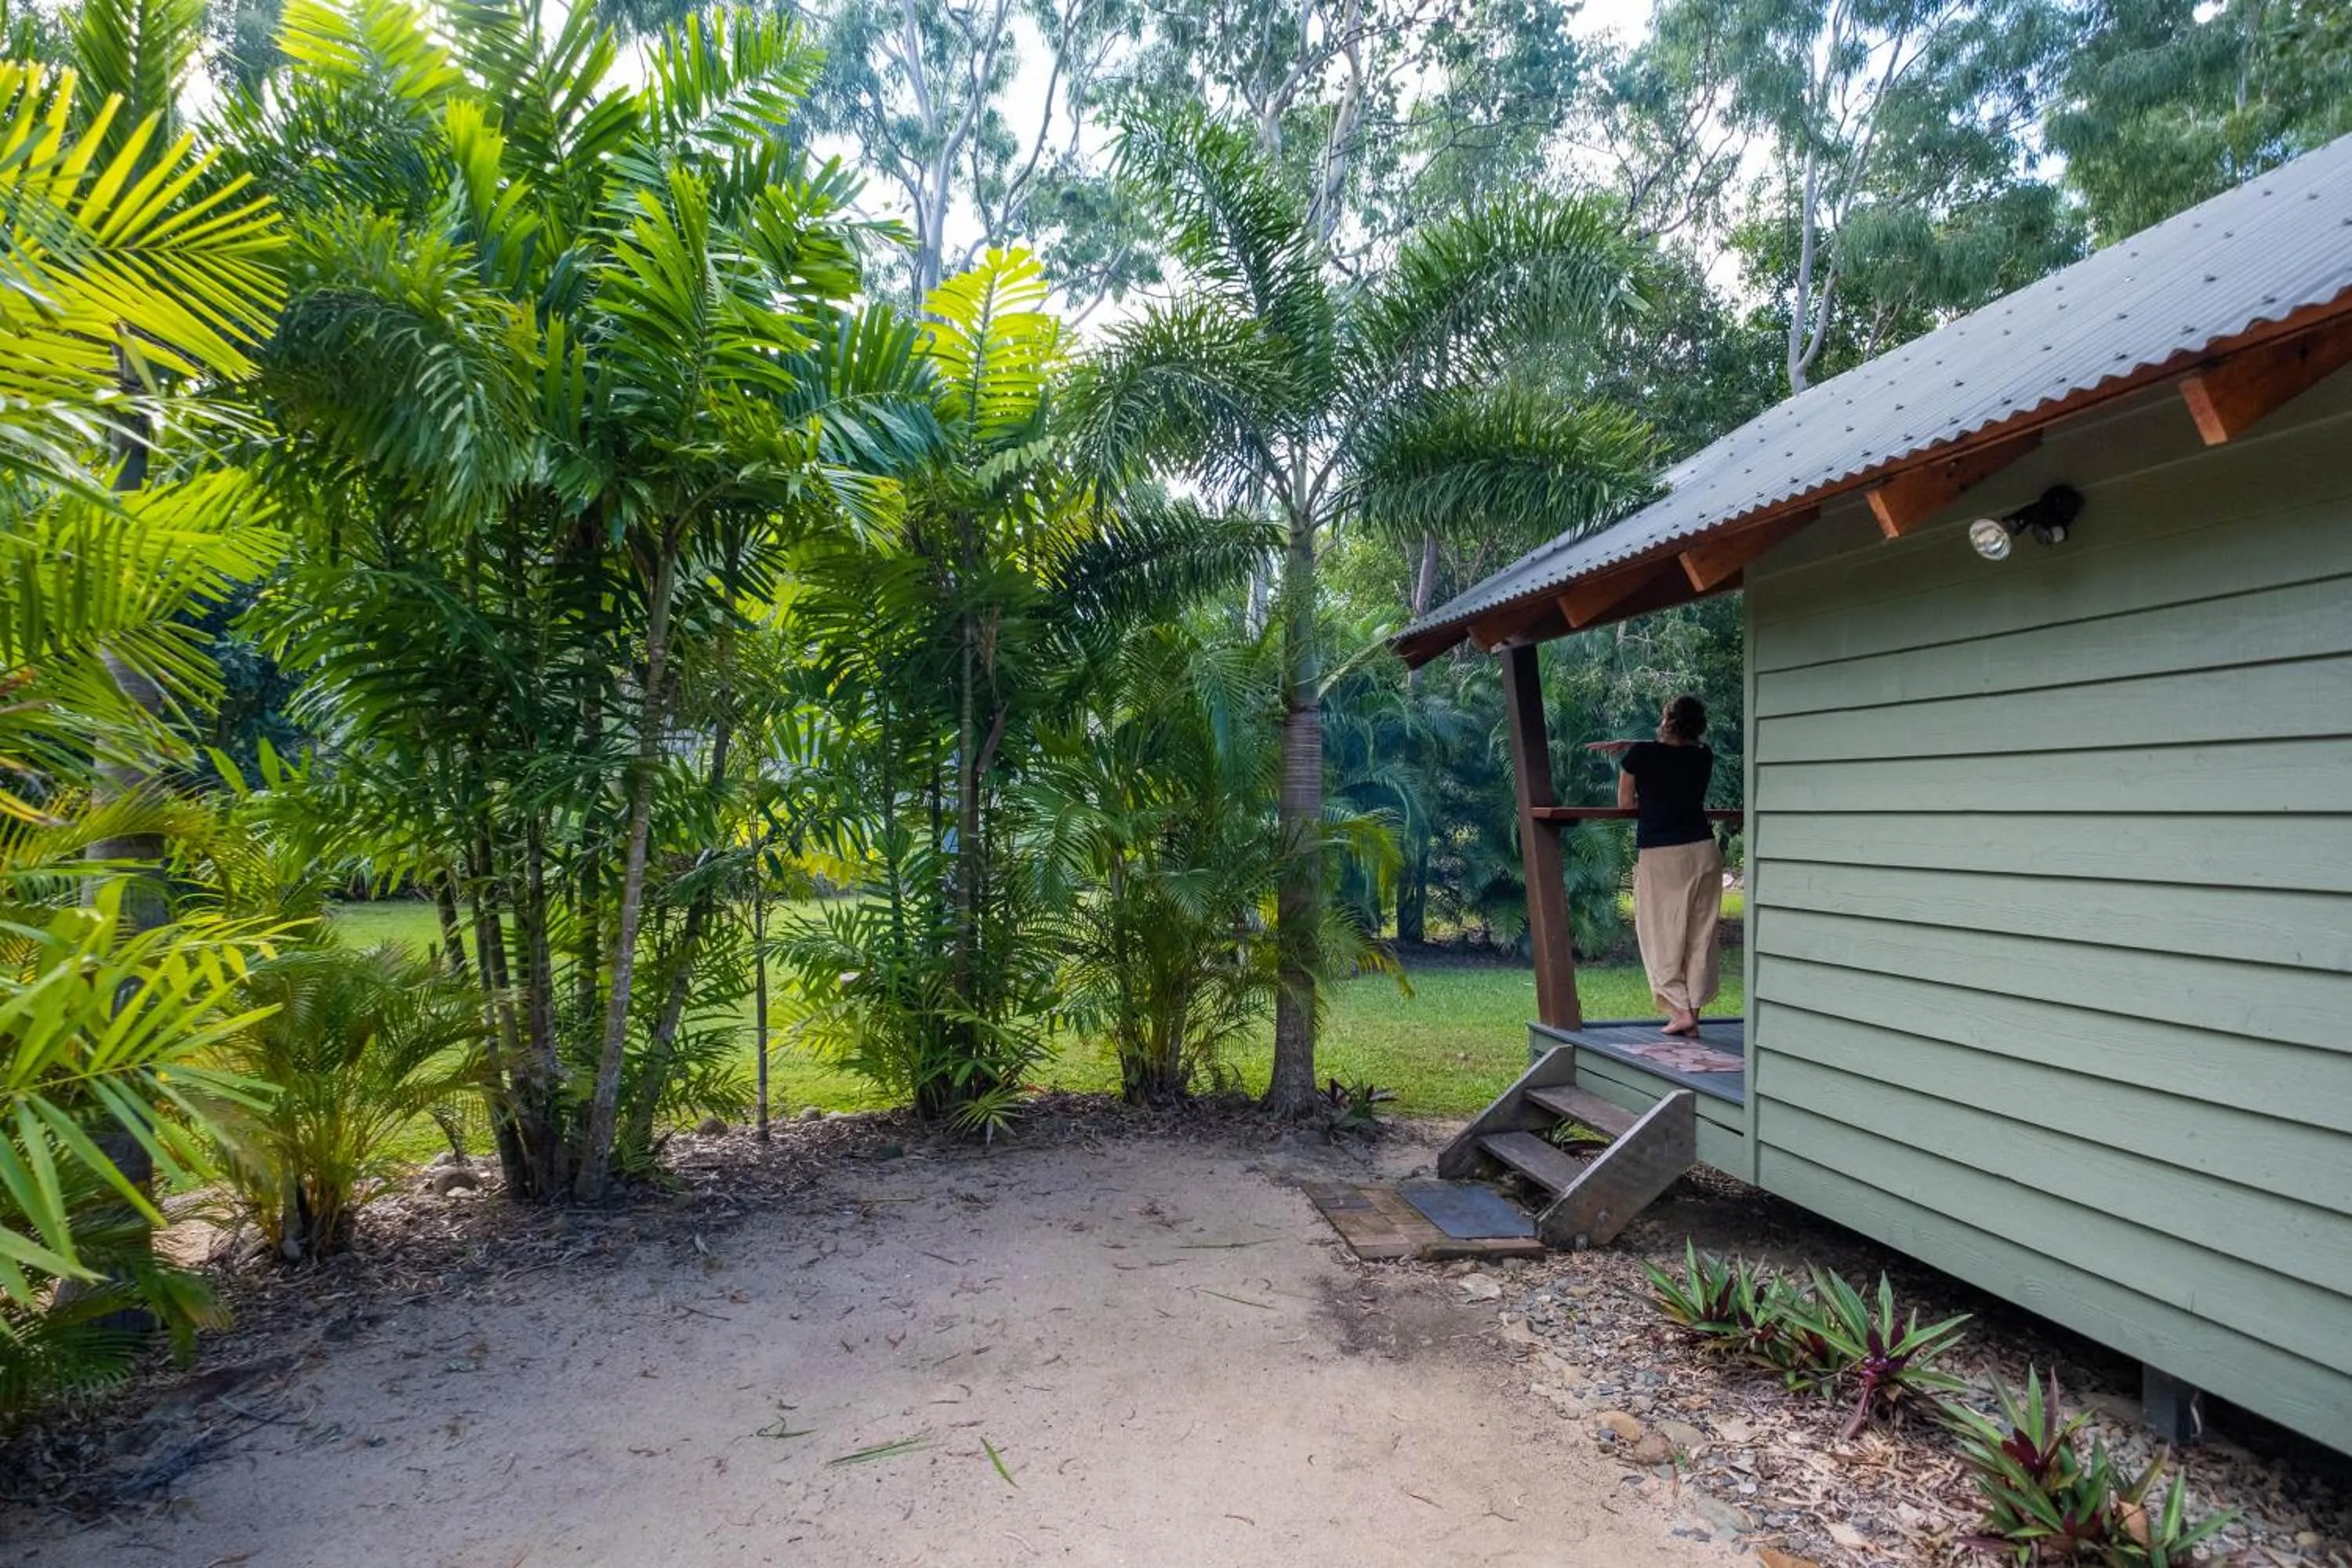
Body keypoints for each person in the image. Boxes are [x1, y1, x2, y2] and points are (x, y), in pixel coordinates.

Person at [1586, 695, 1720, 1037]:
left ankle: (1679, 1011)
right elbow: (1674, 753)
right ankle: (1692, 1014)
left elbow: (1625, 802)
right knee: (1699, 935)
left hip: (1663, 853)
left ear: (1666, 721)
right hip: (1704, 849)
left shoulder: (1640, 757)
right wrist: (1635, 747)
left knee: (1659, 932)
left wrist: (1633, 753)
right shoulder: (1703, 757)